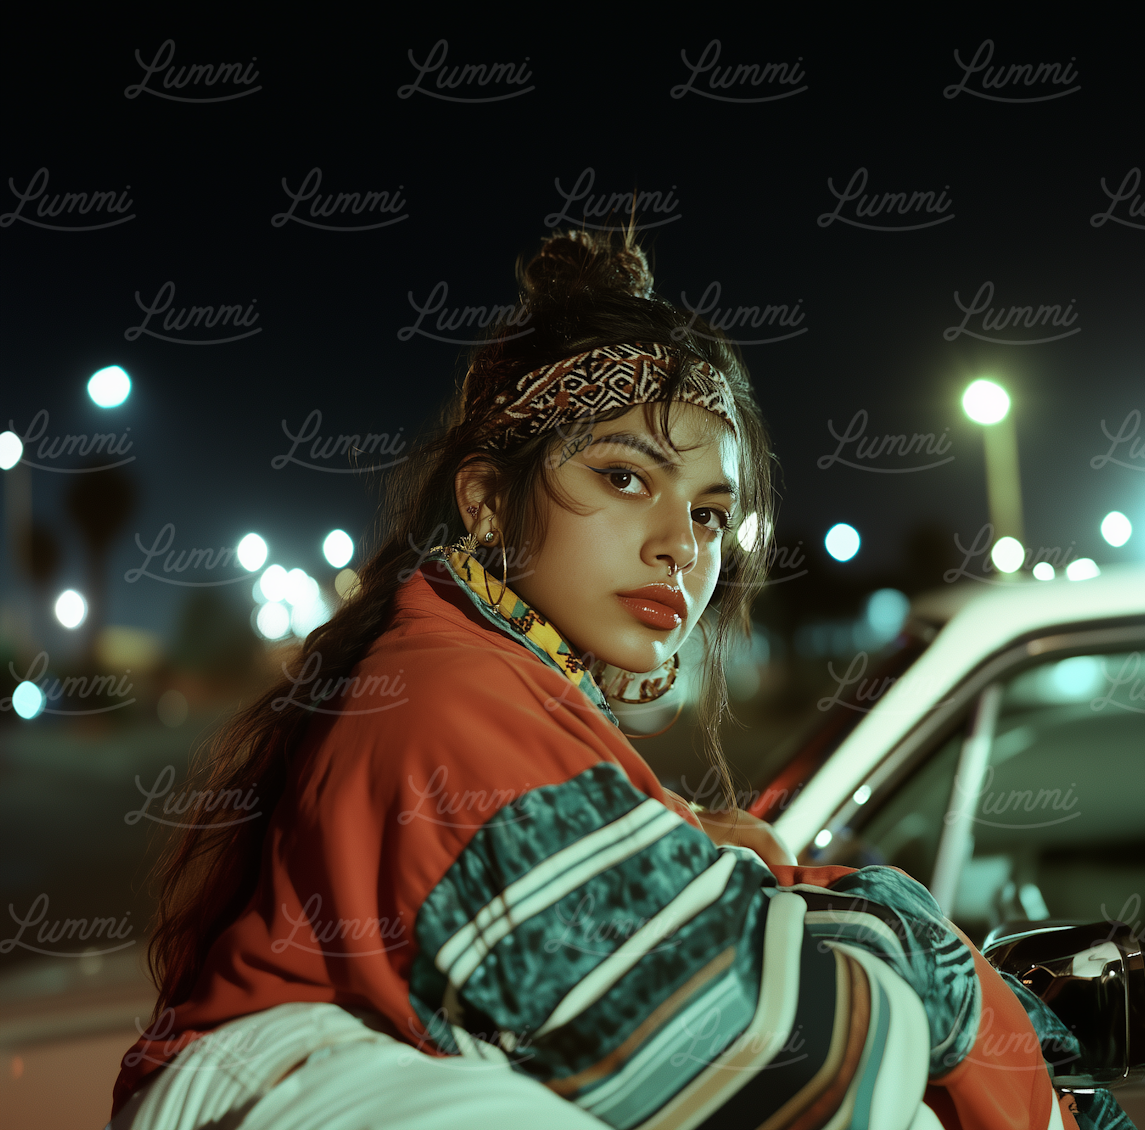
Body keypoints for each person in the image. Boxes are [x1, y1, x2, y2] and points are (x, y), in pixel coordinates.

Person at [109, 230, 1083, 1130]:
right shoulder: (448, 696)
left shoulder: (506, 679)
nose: (678, 547)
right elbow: (754, 1046)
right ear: (489, 500)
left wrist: (747, 872)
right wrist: (936, 968)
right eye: (625, 477)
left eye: (709, 514)